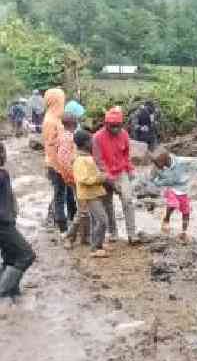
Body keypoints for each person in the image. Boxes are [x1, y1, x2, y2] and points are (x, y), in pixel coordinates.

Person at [93, 107, 139, 245]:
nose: (115, 129)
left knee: (128, 200)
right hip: (105, 175)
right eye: (112, 126)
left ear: (121, 125)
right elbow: (98, 161)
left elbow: (126, 154)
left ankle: (132, 234)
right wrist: (109, 178)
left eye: (118, 126)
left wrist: (130, 170)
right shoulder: (97, 138)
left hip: (121, 172)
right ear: (106, 124)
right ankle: (113, 233)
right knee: (107, 204)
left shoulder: (124, 134)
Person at [150, 149, 197, 242]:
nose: (156, 166)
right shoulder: (157, 167)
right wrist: (160, 182)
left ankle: (184, 232)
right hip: (171, 188)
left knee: (186, 212)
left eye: (157, 163)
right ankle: (166, 219)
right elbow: (152, 179)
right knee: (173, 204)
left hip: (183, 189)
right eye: (155, 163)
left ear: (165, 159)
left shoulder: (181, 162)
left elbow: (196, 162)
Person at [65, 130, 109, 258]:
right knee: (102, 220)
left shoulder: (85, 157)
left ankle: (97, 244)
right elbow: (84, 179)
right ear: (85, 143)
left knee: (96, 219)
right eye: (90, 141)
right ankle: (95, 248)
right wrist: (101, 178)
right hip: (90, 195)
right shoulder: (80, 160)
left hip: (93, 193)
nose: (92, 144)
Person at [0, 142, 36, 298]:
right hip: (3, 225)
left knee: (11, 256)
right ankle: (3, 291)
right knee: (26, 255)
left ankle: (12, 294)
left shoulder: (3, 174)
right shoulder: (2, 176)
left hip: (7, 222)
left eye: (3, 151)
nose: (3, 155)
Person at [43, 88, 76, 233]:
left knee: (68, 193)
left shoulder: (56, 117)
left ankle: (74, 221)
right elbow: (50, 148)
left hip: (64, 164)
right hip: (56, 165)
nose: (63, 102)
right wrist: (60, 168)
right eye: (61, 99)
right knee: (60, 196)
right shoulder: (50, 121)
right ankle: (63, 228)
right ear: (56, 101)